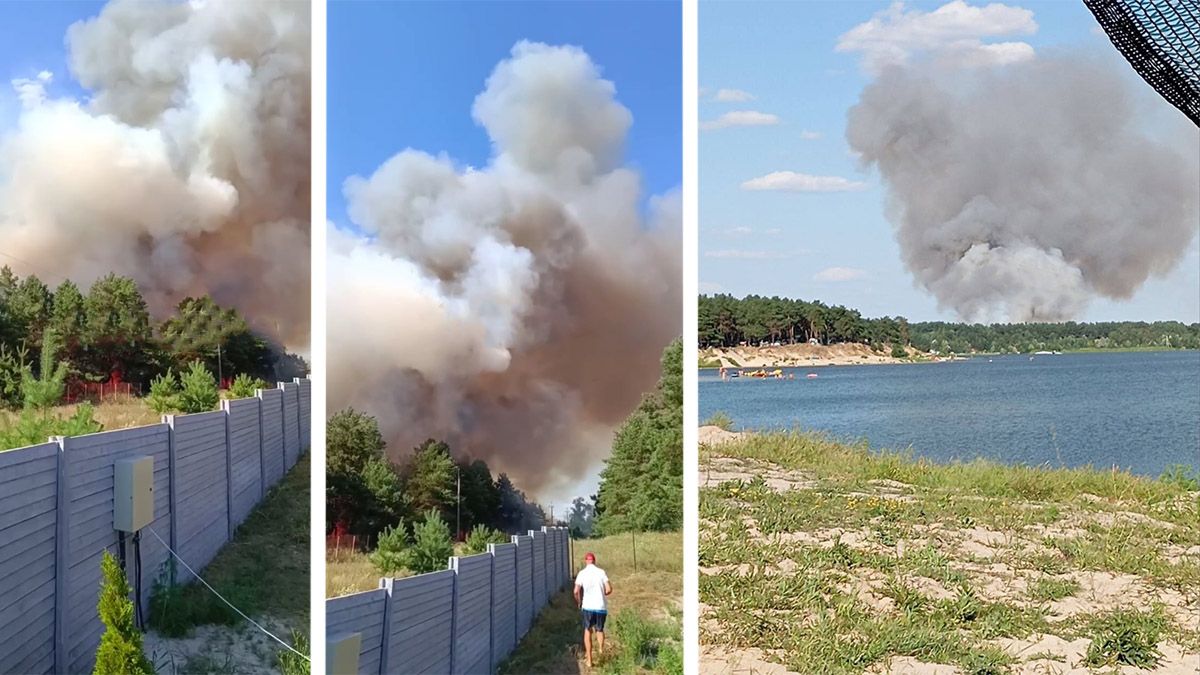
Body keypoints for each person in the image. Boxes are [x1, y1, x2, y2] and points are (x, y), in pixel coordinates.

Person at [574, 551, 612, 668]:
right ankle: (601, 650)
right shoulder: (601, 572)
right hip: (600, 606)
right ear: (594, 561)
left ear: (586, 561)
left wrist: (579, 602)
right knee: (600, 629)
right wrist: (603, 594)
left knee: (587, 630)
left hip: (588, 607)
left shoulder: (582, 573)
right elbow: (609, 589)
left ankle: (589, 660)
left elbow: (576, 591)